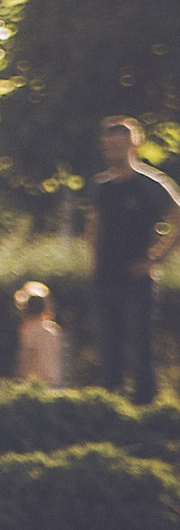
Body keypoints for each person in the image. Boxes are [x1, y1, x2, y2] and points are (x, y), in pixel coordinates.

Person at [88, 117, 179, 404]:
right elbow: (95, 227)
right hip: (106, 275)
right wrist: (92, 260)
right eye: (107, 146)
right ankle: (110, 406)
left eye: (117, 145)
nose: (111, 152)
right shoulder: (102, 186)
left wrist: (155, 259)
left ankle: (144, 407)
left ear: (132, 145)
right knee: (108, 346)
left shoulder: (151, 185)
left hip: (137, 278)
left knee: (140, 346)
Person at [13, 281, 65, 389]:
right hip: (53, 380)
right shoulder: (53, 331)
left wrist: (19, 373)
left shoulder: (28, 330)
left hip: (34, 382)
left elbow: (26, 354)